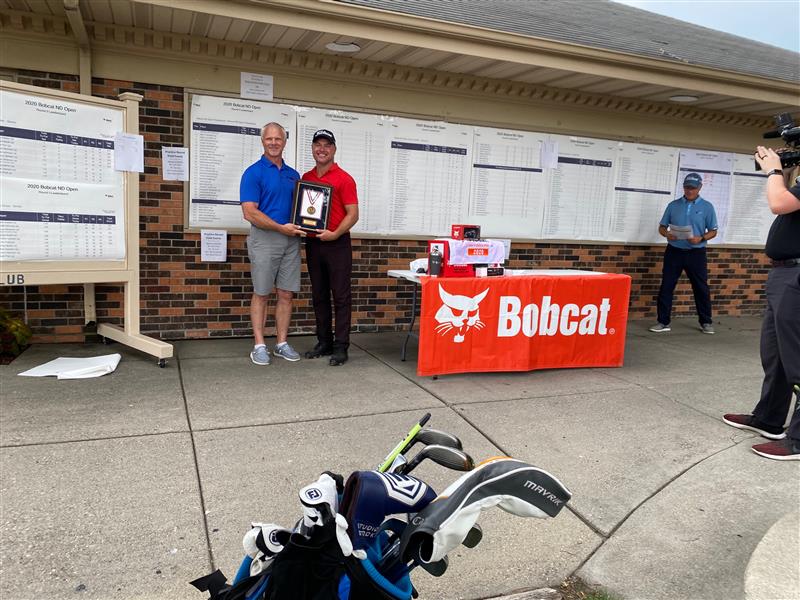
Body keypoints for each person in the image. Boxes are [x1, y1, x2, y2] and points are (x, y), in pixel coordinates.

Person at [723, 146, 800, 461]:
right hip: (784, 273)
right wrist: (784, 170)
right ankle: (769, 418)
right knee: (776, 354)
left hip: (796, 275)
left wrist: (774, 170)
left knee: (796, 357)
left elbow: (778, 203)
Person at [240, 122, 304, 365]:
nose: (274, 143)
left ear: (285, 142)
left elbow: (302, 210)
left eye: (278, 139)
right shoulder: (253, 173)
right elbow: (249, 212)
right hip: (265, 238)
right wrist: (280, 227)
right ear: (263, 141)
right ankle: (259, 345)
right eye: (270, 139)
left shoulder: (293, 175)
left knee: (286, 293)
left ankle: (281, 343)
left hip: (291, 240)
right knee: (262, 292)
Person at [301, 129, 359, 366]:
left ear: (334, 149)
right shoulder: (307, 177)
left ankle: (341, 346)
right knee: (319, 295)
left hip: (337, 243)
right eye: (318, 145)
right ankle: (324, 342)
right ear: (312, 148)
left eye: (327, 145)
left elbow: (353, 214)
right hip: (314, 243)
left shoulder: (344, 179)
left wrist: (335, 233)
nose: (322, 149)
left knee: (341, 296)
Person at [649, 172, 718, 334]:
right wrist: (667, 234)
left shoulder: (707, 207)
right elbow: (662, 227)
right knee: (666, 286)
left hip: (696, 253)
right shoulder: (673, 205)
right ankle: (663, 322)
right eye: (687, 187)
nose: (689, 191)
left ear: (699, 188)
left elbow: (713, 231)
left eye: (693, 188)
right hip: (674, 252)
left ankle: (706, 322)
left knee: (701, 288)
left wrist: (701, 238)